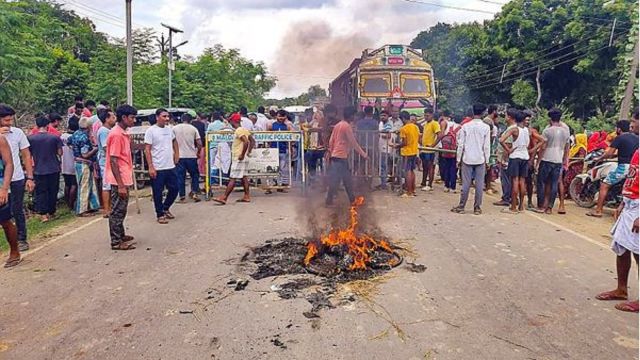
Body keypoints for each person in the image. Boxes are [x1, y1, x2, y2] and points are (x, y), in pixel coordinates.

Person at [595, 149, 639, 312]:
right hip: (630, 203)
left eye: (635, 121)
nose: (634, 123)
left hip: (638, 208)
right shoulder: (637, 150)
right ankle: (621, 289)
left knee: (638, 252)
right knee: (621, 248)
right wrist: (622, 203)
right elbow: (633, 178)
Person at [587, 119, 639, 217]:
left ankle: (598, 211)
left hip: (623, 167)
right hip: (634, 168)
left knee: (604, 184)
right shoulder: (637, 138)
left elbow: (609, 153)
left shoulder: (619, 138)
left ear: (619, 129)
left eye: (616, 128)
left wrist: (599, 158)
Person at [0, 105, 35, 251]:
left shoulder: (18, 133)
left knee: (17, 209)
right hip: (1, 180)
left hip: (16, 178)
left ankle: (21, 239)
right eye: (6, 120)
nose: (9, 123)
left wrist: (30, 177)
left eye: (11, 120)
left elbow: (26, 155)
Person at [105, 104, 137, 250]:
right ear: (123, 117)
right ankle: (116, 241)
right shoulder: (117, 134)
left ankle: (120, 234)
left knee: (122, 208)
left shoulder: (123, 133)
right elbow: (113, 159)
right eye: (132, 117)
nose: (134, 120)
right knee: (117, 210)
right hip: (119, 179)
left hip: (124, 176)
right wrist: (121, 185)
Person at [451, 104, 491, 215]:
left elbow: (461, 145)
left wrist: (458, 159)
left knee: (465, 184)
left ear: (473, 112)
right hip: (480, 158)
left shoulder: (465, 126)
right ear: (483, 113)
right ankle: (477, 207)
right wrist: (487, 161)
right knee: (479, 184)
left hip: (467, 158)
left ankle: (461, 206)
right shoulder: (486, 127)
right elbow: (486, 146)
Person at [325, 106, 368, 206]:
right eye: (354, 115)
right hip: (341, 157)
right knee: (343, 180)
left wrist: (330, 152)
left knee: (343, 179)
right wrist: (364, 154)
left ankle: (345, 200)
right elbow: (353, 143)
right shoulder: (346, 126)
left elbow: (331, 140)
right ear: (351, 116)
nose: (355, 117)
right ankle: (332, 201)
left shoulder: (338, 125)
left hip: (336, 156)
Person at [144, 108, 179, 224]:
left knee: (175, 189)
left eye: (167, 116)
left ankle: (165, 207)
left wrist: (177, 155)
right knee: (158, 192)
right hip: (158, 167)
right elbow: (147, 149)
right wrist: (150, 166)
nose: (167, 119)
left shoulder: (170, 130)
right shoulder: (151, 131)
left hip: (170, 166)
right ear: (157, 117)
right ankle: (160, 214)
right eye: (164, 116)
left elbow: (175, 142)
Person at [533, 108, 570, 214]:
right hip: (558, 159)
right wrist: (565, 160)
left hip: (547, 158)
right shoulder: (565, 131)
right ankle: (549, 207)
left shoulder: (547, 131)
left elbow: (543, 147)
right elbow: (567, 147)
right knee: (554, 183)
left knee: (541, 182)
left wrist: (538, 161)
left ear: (550, 118)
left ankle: (541, 206)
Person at [212, 116, 255, 205]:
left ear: (233, 121)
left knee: (233, 178)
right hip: (243, 157)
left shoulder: (238, 130)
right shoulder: (244, 129)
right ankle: (246, 195)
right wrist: (248, 151)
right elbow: (252, 141)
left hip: (238, 157)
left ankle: (224, 197)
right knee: (244, 177)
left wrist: (242, 154)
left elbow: (246, 141)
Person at [29, 116, 63, 221]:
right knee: (53, 190)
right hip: (53, 168)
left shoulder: (30, 138)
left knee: (41, 192)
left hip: (38, 169)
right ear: (47, 125)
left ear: (37, 125)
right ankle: (52, 211)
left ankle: (43, 215)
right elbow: (60, 153)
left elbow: (27, 154)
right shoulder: (55, 137)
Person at [499, 110, 531, 214]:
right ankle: (521, 206)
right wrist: (531, 150)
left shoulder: (514, 129)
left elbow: (501, 140)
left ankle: (513, 207)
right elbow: (543, 140)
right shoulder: (527, 130)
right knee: (522, 181)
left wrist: (508, 150)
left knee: (515, 182)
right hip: (525, 156)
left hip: (515, 156)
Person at [69, 117, 100, 216]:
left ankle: (90, 206)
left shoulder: (75, 134)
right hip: (84, 163)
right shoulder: (84, 138)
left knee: (88, 185)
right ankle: (82, 210)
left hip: (78, 162)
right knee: (84, 186)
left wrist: (75, 154)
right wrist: (95, 149)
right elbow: (85, 154)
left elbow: (69, 143)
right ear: (89, 127)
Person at [174, 113, 202, 202]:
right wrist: (198, 152)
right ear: (191, 120)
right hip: (191, 156)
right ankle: (194, 192)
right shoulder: (193, 129)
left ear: (181, 119)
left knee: (180, 176)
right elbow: (199, 143)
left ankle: (182, 197)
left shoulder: (174, 128)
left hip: (179, 156)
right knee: (194, 175)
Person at [0, 126, 18, 267]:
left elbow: (9, 164)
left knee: (5, 222)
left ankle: (14, 251)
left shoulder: (1, 140)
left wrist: (4, 188)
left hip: (0, 186)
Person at [493, 108, 518, 207]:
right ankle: (510, 197)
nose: (505, 118)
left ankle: (507, 198)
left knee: (506, 179)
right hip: (509, 158)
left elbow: (508, 144)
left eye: (506, 116)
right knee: (509, 179)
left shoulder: (511, 129)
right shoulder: (515, 128)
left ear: (510, 117)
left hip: (507, 159)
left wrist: (504, 159)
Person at [97, 109, 116, 217]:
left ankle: (110, 207)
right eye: (112, 117)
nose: (114, 119)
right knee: (106, 185)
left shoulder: (108, 130)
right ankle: (107, 209)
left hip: (108, 161)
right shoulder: (104, 131)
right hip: (105, 161)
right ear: (106, 119)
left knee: (110, 185)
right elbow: (105, 147)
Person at [397, 111, 420, 197]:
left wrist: (397, 146)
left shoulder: (404, 128)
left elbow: (405, 142)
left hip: (407, 152)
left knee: (407, 171)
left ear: (403, 118)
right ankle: (413, 190)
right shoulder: (415, 127)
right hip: (414, 151)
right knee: (412, 171)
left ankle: (409, 191)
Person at [270, 110, 293, 191]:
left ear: (285, 117)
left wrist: (290, 149)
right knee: (273, 168)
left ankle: (283, 185)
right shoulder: (271, 125)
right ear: (276, 116)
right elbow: (267, 137)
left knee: (283, 168)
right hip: (273, 150)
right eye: (280, 116)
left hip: (283, 151)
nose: (281, 118)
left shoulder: (287, 127)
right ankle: (273, 183)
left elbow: (290, 139)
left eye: (283, 116)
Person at [420, 107, 441, 191]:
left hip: (430, 150)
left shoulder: (434, 123)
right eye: (425, 115)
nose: (426, 117)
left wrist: (432, 145)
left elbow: (439, 135)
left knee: (430, 167)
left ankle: (430, 185)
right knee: (425, 167)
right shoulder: (426, 124)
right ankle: (423, 182)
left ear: (432, 115)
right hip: (424, 149)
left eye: (427, 115)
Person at [61, 117, 78, 210]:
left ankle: (67, 202)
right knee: (74, 184)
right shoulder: (75, 137)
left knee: (67, 184)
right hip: (73, 162)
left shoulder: (62, 136)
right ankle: (71, 204)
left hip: (64, 163)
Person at [484, 104, 499, 194]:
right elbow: (489, 136)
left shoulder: (491, 121)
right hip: (489, 147)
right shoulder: (487, 121)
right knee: (488, 167)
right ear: (494, 111)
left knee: (489, 167)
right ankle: (487, 186)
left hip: (490, 146)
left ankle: (487, 185)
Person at [377, 110, 393, 190]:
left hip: (386, 148)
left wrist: (379, 133)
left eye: (384, 115)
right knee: (381, 165)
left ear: (387, 116)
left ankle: (384, 184)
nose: (382, 117)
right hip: (381, 147)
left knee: (383, 166)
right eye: (381, 115)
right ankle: (383, 183)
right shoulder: (380, 123)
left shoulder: (389, 124)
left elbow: (389, 136)